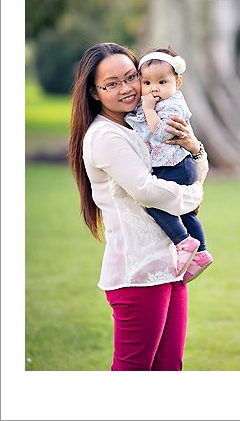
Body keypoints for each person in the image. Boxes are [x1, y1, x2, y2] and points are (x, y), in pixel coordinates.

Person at [68, 42, 208, 371]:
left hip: (170, 266)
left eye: (131, 77)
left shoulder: (142, 126)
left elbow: (182, 171)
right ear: (94, 92)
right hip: (137, 274)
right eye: (112, 84)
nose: (127, 88)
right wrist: (195, 196)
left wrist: (194, 148)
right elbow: (146, 190)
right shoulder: (105, 136)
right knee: (134, 371)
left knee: (168, 369)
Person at [126, 47, 213, 283]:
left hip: (174, 166)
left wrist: (147, 109)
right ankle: (201, 253)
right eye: (147, 82)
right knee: (185, 211)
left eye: (162, 82)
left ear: (178, 82)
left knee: (155, 204)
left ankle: (183, 242)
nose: (154, 88)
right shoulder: (157, 102)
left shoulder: (172, 105)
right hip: (175, 165)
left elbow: (163, 132)